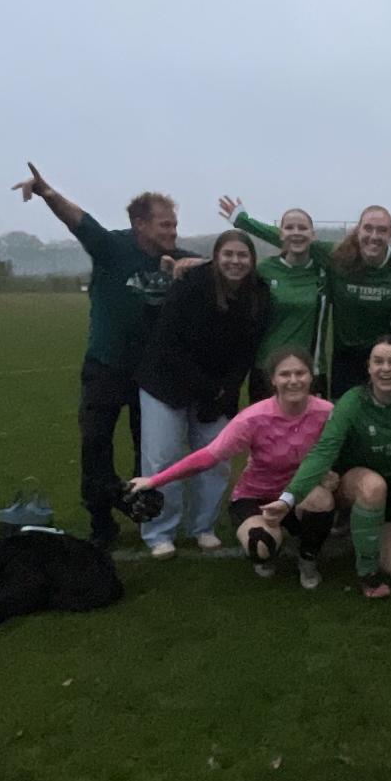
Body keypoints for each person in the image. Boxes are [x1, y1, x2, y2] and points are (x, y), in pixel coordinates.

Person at [11, 160, 192, 547]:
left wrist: (193, 264)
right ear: (140, 224)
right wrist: (47, 193)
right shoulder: (113, 247)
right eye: (166, 225)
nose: (173, 232)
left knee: (149, 451)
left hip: (151, 375)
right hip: (106, 367)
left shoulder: (178, 255)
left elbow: (227, 265)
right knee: (95, 446)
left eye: (175, 225)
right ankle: (101, 521)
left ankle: (149, 516)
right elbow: (79, 221)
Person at [128, 345, 336, 588]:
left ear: (311, 376)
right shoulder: (254, 417)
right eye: (285, 374)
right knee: (261, 546)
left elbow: (343, 447)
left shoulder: (327, 412)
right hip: (257, 497)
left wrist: (332, 473)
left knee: (322, 500)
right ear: (273, 380)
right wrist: (154, 480)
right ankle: (268, 549)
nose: (293, 381)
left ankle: (307, 559)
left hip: (297, 494)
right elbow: (209, 456)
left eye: (300, 373)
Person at [134, 230, 271, 558]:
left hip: (216, 387)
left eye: (243, 255)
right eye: (228, 254)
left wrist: (227, 392)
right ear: (215, 257)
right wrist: (209, 390)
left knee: (217, 458)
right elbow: (168, 343)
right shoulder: (191, 284)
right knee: (163, 458)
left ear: (252, 261)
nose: (235, 261)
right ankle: (159, 532)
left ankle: (203, 526)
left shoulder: (258, 294)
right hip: (165, 382)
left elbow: (247, 350)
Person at [222, 197, 391, 397]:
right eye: (368, 228)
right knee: (344, 415)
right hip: (346, 356)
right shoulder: (338, 255)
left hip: (386, 354)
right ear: (357, 230)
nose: (374, 236)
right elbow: (292, 239)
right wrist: (243, 221)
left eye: (382, 230)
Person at [281, 334, 391, 599]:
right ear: (368, 366)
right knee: (372, 487)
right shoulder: (352, 402)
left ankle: (368, 526)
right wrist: (290, 496)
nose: (385, 368)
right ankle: (367, 574)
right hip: (354, 481)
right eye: (378, 361)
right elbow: (323, 452)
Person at [218, 202, 328, 400]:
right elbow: (230, 272)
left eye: (303, 228)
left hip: (307, 370)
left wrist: (244, 221)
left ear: (313, 235)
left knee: (309, 430)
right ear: (280, 234)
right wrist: (191, 263)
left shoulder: (324, 271)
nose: (296, 232)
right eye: (289, 227)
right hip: (266, 369)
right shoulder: (265, 269)